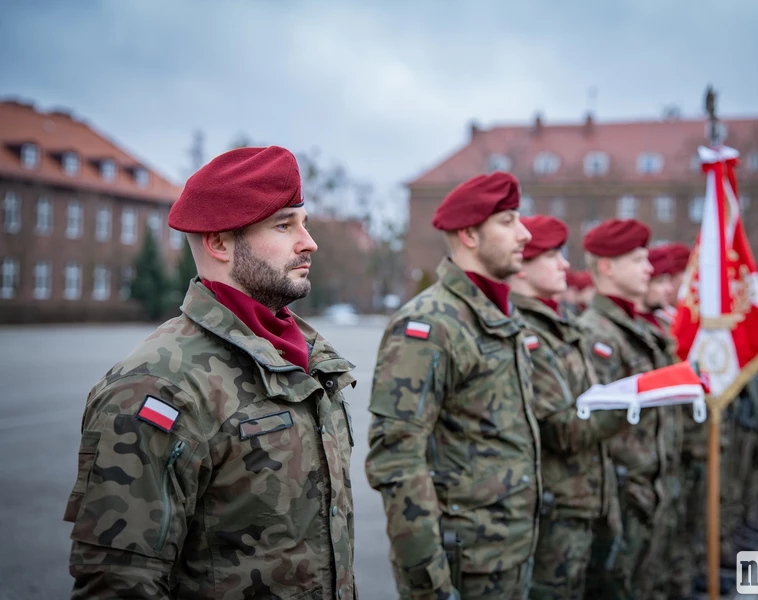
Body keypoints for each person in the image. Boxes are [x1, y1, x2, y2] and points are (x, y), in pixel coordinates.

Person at [63, 146, 357, 600]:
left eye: (303, 222)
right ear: (219, 242)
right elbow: (119, 581)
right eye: (284, 225)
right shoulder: (159, 384)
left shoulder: (307, 358)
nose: (309, 241)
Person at [365, 172, 541, 600]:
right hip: (464, 566)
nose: (525, 233)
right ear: (469, 234)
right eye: (507, 222)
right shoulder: (429, 325)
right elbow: (398, 462)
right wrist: (430, 587)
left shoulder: (499, 316)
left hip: (509, 552)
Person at [508, 216, 627, 600]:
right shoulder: (525, 331)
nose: (564, 264)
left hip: (584, 499)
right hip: (556, 508)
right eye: (552, 255)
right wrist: (631, 404)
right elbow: (558, 427)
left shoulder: (560, 324)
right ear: (521, 266)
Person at [577, 219, 679, 600]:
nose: (650, 268)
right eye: (638, 260)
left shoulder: (630, 327)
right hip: (621, 494)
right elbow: (595, 427)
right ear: (607, 267)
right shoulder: (598, 333)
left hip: (644, 484)